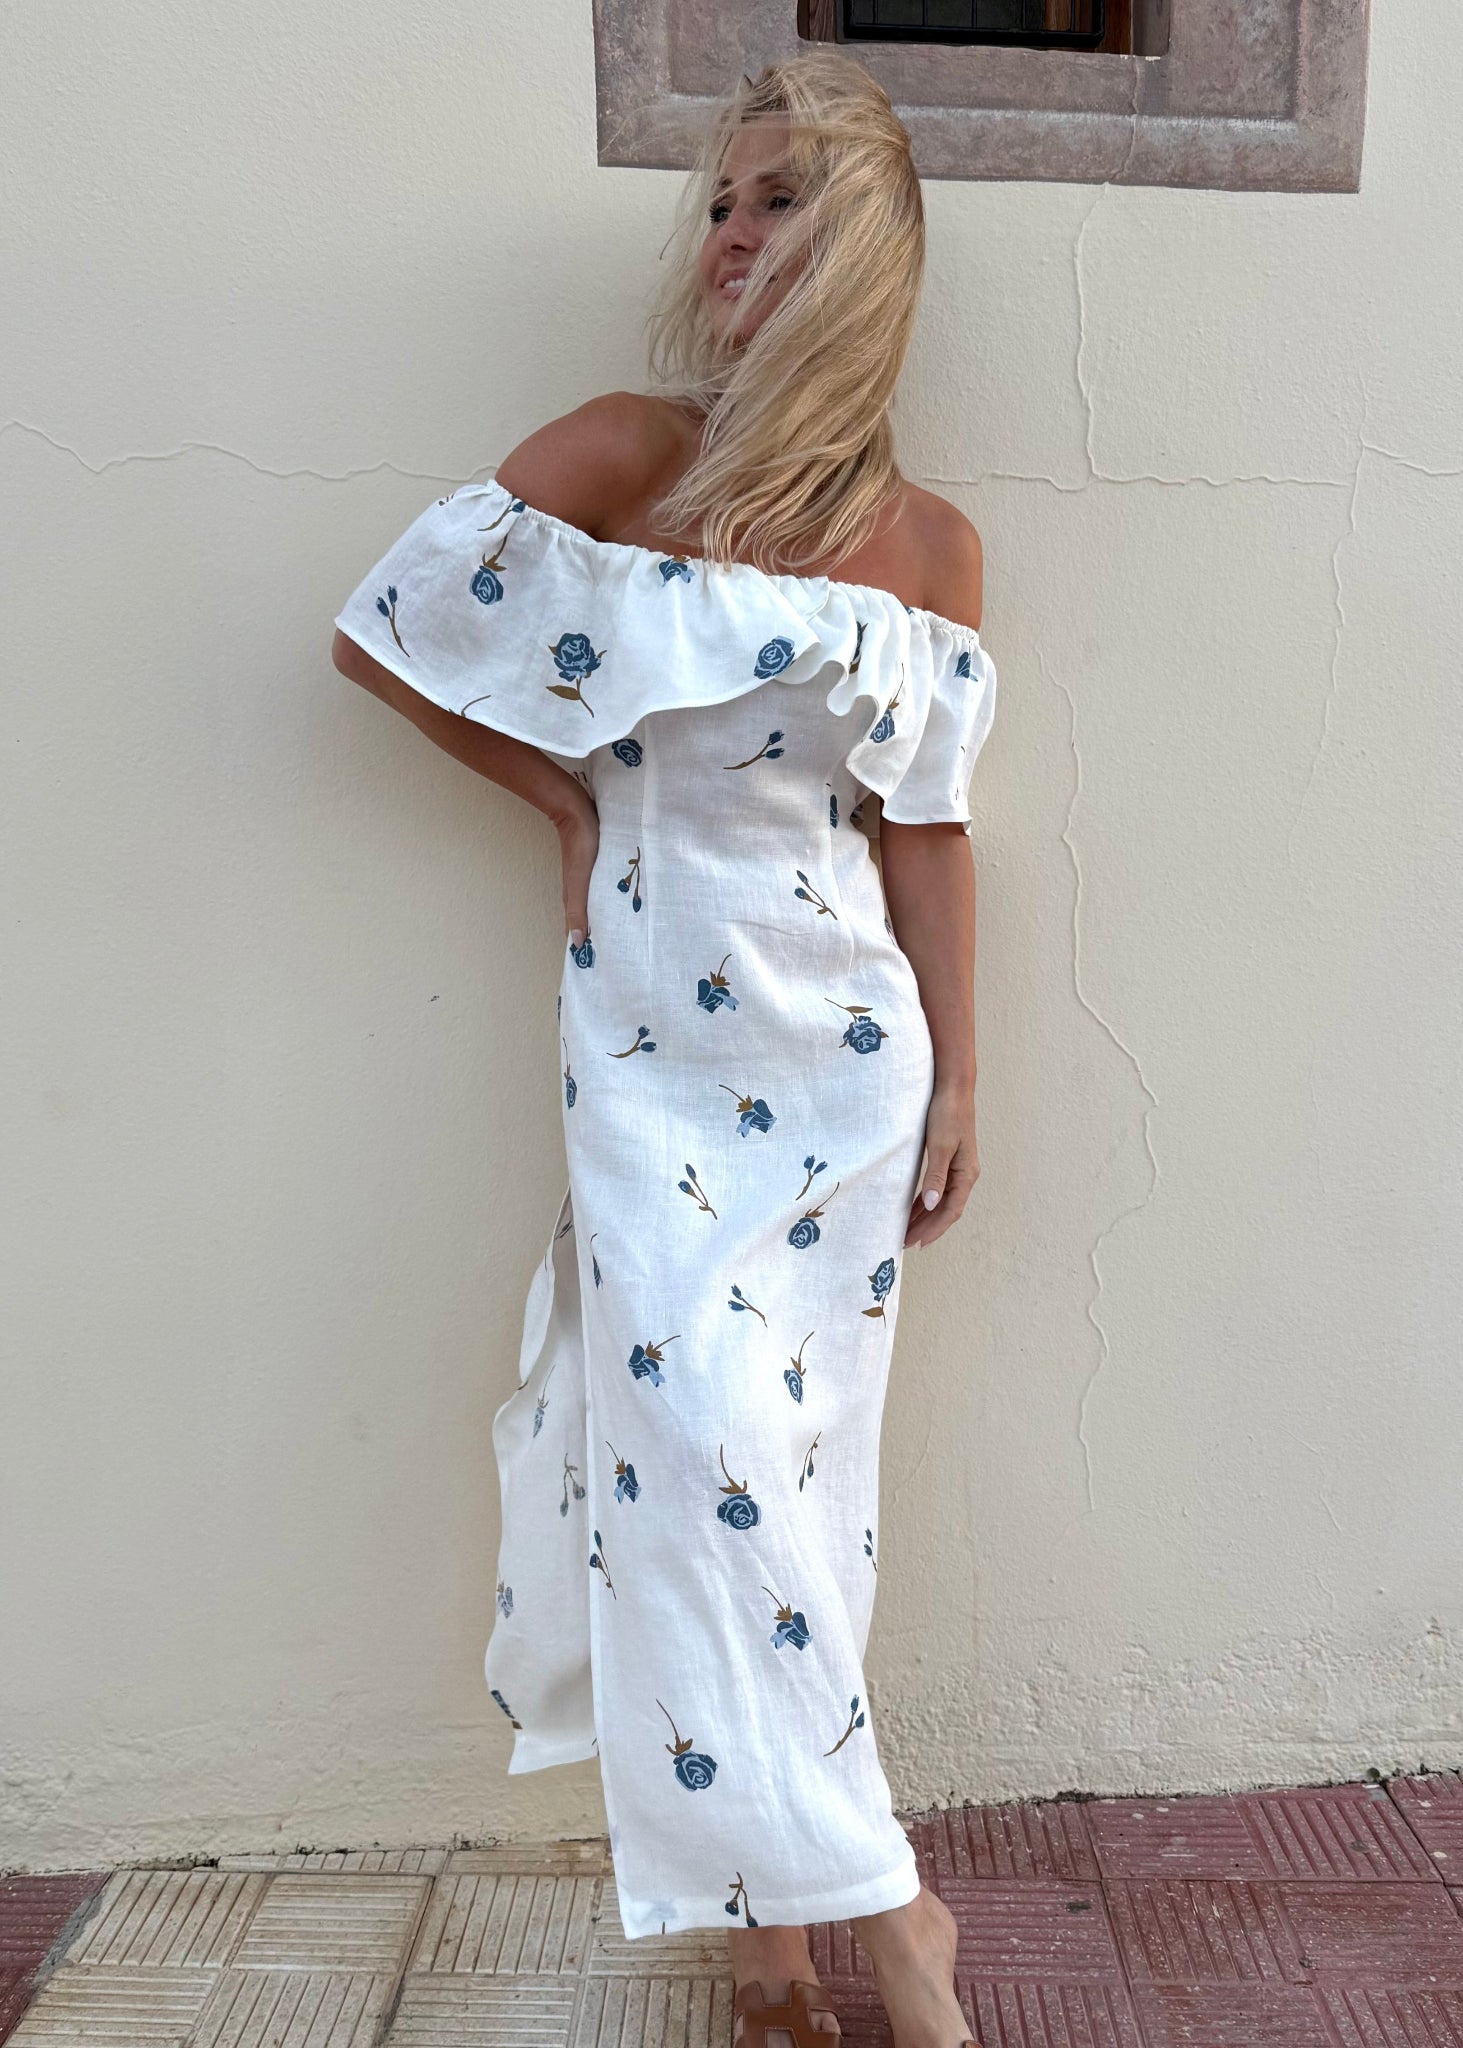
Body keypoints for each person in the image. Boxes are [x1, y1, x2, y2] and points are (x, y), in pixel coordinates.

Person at [331, 49, 995, 2048]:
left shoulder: (933, 550)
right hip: (645, 1051)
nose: (729, 232)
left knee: (805, 1489)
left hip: (847, 1067)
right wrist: (562, 802)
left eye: (776, 199)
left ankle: (772, 1953)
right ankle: (897, 1931)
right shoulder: (629, 462)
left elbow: (935, 829)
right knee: (700, 1450)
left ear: (863, 244)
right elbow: (383, 626)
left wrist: (966, 1074)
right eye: (719, 199)